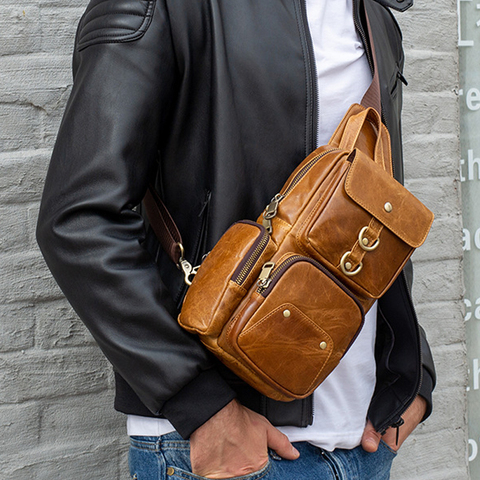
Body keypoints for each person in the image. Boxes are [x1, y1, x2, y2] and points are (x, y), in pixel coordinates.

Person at [37, 0, 436, 478]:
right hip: (225, 447)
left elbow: (377, 215)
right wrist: (200, 404)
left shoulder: (374, 15)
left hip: (363, 445)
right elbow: (80, 216)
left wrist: (412, 370)